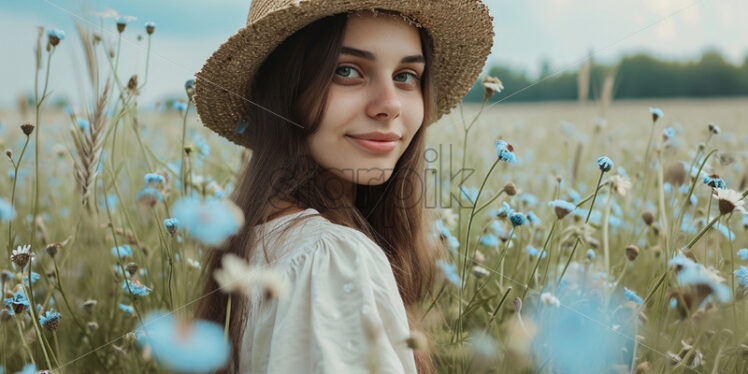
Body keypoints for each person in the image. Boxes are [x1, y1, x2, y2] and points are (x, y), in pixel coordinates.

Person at [192, 1, 493, 373]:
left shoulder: (261, 239)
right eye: (347, 70)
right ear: (286, 94)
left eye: (406, 75)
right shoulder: (331, 257)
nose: (390, 105)